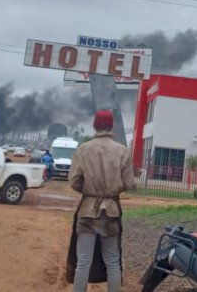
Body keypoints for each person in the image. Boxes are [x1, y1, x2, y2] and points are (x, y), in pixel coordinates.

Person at [66, 110, 134, 292]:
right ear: (111, 127)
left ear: (95, 126)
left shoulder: (83, 149)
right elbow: (128, 183)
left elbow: (74, 181)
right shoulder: (123, 151)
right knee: (113, 262)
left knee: (83, 262)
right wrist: (111, 191)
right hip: (111, 211)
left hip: (87, 210)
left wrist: (89, 192)